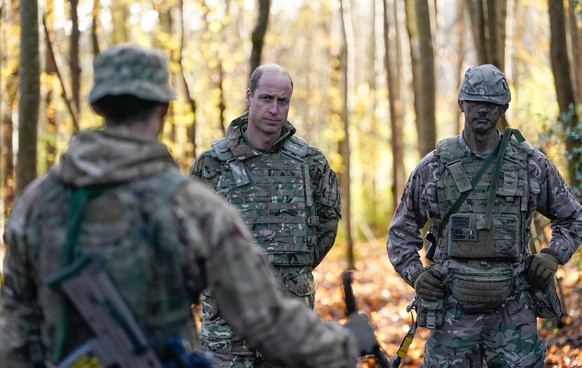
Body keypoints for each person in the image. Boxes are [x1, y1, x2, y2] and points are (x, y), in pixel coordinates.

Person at [0, 44, 378, 368]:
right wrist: (348, 342)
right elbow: (266, 319)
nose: (274, 108)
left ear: (98, 105)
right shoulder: (189, 205)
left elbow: (12, 332)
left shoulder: (35, 204)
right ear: (163, 108)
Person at [387, 64, 582, 367]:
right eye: (476, 102)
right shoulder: (435, 167)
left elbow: (572, 218)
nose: (483, 110)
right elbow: (401, 232)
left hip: (513, 311)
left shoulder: (529, 164)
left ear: (503, 107)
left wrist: (553, 255)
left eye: (491, 104)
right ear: (461, 103)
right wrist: (417, 275)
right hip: (452, 311)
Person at [189, 64, 341, 367]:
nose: (274, 109)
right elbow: (187, 234)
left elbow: (327, 223)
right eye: (266, 98)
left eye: (282, 101)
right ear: (249, 97)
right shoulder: (213, 163)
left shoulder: (311, 163)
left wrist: (292, 270)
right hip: (227, 323)